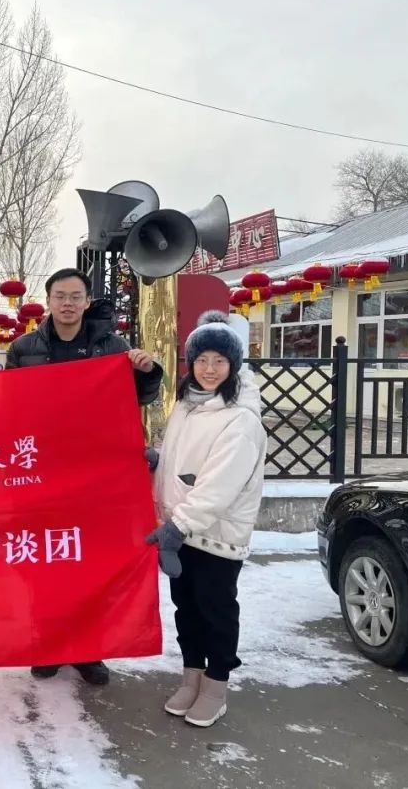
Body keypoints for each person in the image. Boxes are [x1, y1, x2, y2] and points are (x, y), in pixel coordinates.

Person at [6, 268, 163, 687]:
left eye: (76, 296)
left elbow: (139, 397)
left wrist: (147, 371)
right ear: (48, 301)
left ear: (87, 301)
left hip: (96, 473)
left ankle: (89, 650)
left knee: (90, 560)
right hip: (43, 470)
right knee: (46, 560)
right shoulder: (24, 348)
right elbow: (11, 404)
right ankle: (48, 646)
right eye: (60, 296)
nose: (68, 304)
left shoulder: (112, 346)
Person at [147, 310, 266, 728]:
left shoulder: (241, 419)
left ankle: (216, 685)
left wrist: (177, 527)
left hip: (213, 533)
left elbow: (219, 486)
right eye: (201, 360)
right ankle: (191, 676)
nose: (209, 369)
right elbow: (184, 461)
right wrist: (158, 462)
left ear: (233, 365)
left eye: (219, 361)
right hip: (180, 532)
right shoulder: (188, 404)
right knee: (187, 610)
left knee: (216, 610)